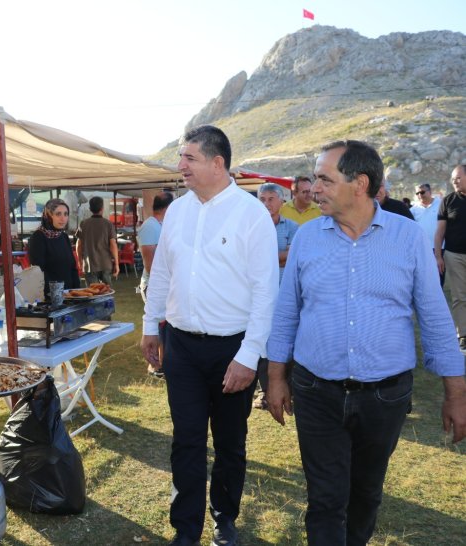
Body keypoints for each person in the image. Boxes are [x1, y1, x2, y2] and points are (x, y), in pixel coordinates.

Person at [266, 140, 466, 546]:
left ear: (359, 183)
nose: (314, 187)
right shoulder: (306, 239)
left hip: (385, 398)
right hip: (315, 391)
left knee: (366, 495)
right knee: (324, 499)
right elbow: (286, 313)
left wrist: (456, 394)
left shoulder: (407, 238)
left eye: (324, 178)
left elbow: (434, 317)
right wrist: (275, 378)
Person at [141, 126, 278, 546]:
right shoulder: (178, 211)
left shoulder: (251, 214)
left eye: (189, 158)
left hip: (231, 350)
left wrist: (249, 355)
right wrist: (151, 326)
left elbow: (265, 290)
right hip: (180, 345)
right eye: (181, 158)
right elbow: (161, 273)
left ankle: (225, 519)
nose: (180, 166)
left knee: (231, 443)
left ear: (218, 164)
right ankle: (185, 529)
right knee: (186, 441)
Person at [252, 182, 299, 410]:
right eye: (262, 199)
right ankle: (265, 390)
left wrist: (267, 257)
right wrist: (279, 256)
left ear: (282, 201)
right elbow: (249, 259)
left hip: (285, 294)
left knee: (286, 340)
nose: (267, 203)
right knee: (262, 341)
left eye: (271, 198)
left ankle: (286, 389)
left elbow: (292, 257)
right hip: (258, 295)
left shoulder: (292, 227)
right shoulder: (251, 226)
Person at [137, 191, 174, 378]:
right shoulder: (150, 226)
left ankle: (161, 364)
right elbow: (150, 264)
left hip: (164, 284)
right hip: (153, 284)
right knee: (158, 327)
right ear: (168, 208)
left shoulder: (161, 225)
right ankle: (155, 366)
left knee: (165, 327)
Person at [435, 164, 466, 351]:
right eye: (453, 179)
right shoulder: (448, 201)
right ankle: (463, 334)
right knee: (460, 296)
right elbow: (439, 232)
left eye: (458, 178)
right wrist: (438, 256)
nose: (454, 181)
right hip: (454, 255)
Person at [27, 198, 81, 291]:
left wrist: (78, 292)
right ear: (48, 215)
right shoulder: (38, 237)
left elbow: (72, 268)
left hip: (70, 295)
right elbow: (38, 272)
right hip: (50, 297)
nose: (63, 218)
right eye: (58, 214)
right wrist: (55, 294)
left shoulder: (64, 236)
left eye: (66, 214)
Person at [75, 196, 119, 285]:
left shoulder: (83, 224)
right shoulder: (108, 224)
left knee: (93, 294)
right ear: (102, 208)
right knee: (106, 293)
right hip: (105, 263)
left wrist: (79, 260)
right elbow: (113, 245)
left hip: (89, 264)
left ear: (90, 209)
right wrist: (117, 264)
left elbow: (79, 244)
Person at [411, 182, 444, 285]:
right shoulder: (413, 210)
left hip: (440, 248)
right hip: (421, 249)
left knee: (439, 278)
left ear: (430, 192)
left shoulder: (441, 205)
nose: (420, 195)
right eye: (417, 193)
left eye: (422, 192)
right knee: (424, 279)